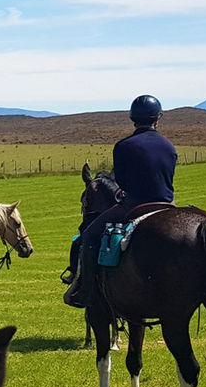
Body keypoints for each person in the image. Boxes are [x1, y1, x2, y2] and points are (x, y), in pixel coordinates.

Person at [64, 94, 177, 308]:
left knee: (87, 237)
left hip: (133, 205)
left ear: (133, 119)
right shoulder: (169, 146)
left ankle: (85, 290)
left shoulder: (124, 146)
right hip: (167, 205)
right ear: (158, 119)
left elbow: (122, 182)